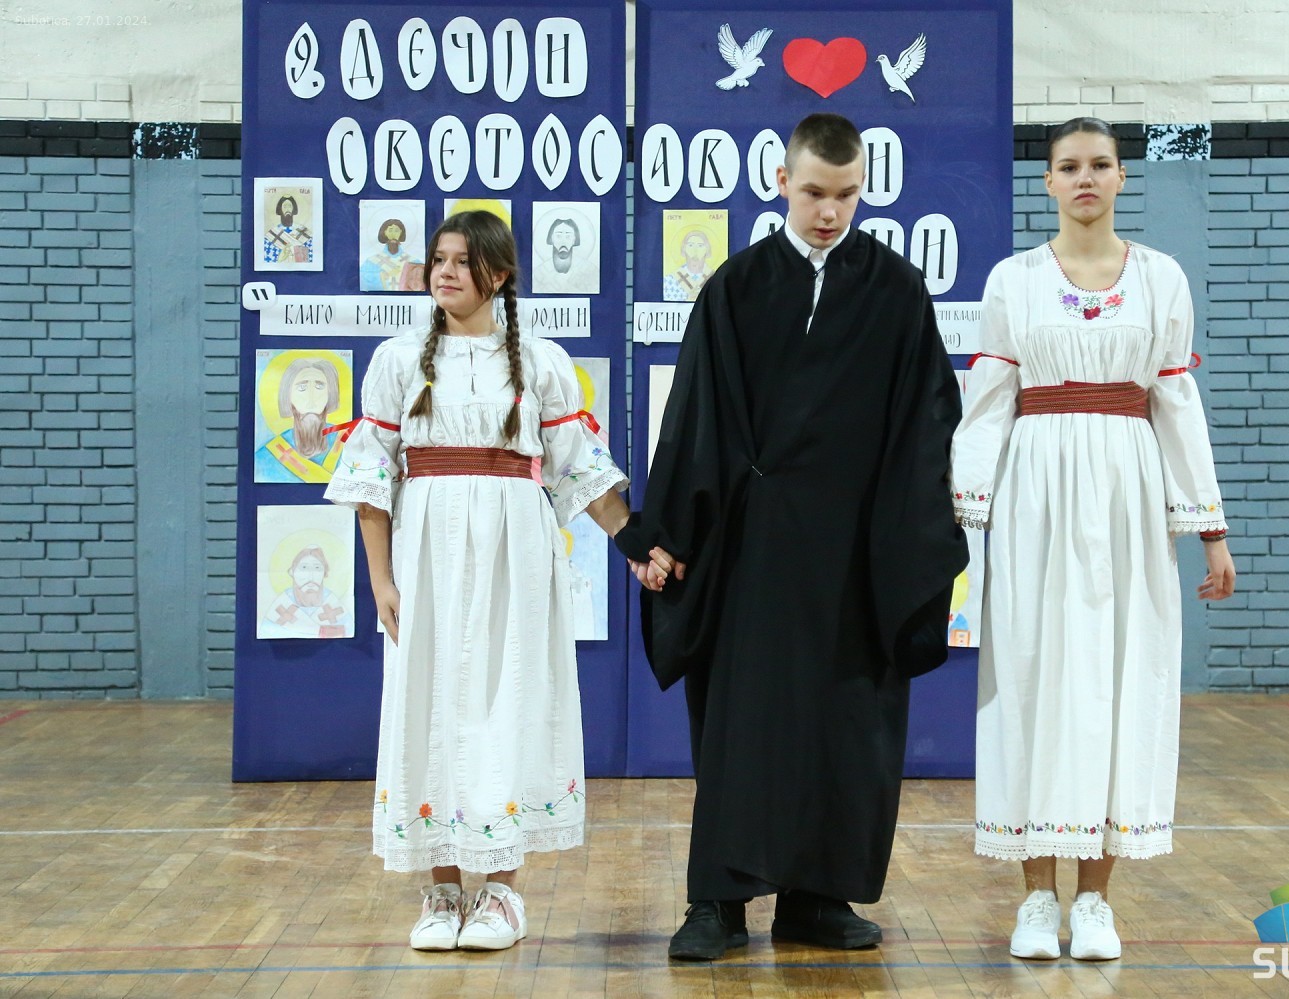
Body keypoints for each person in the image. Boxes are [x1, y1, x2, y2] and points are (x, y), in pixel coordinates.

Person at [613, 112, 968, 961]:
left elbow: (926, 422)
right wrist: (668, 533)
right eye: (814, 192)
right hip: (752, 546)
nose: (829, 211)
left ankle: (818, 896)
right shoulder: (735, 288)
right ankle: (718, 900)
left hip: (856, 548)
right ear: (781, 180)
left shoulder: (896, 291)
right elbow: (694, 418)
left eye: (847, 195)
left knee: (846, 720)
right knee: (742, 720)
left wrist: (911, 535)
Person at [951, 117, 1236, 963]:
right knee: (1031, 676)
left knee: (1121, 678)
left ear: (1120, 177)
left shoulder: (1160, 278)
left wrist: (1211, 530)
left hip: (1128, 497)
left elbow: (1176, 404)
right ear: (1047, 181)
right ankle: (1037, 895)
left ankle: (1097, 900)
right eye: (1069, 166)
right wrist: (963, 520)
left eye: (1100, 165)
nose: (1085, 178)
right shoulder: (1013, 280)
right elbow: (987, 405)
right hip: (1034, 495)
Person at [324, 210, 630, 952]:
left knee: (507, 702)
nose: (446, 272)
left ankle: (500, 892)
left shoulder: (541, 362)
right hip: (426, 555)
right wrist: (381, 579)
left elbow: (581, 473)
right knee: (428, 703)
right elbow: (372, 482)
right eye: (439, 259)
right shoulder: (399, 360)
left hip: (515, 556)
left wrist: (639, 547)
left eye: (462, 261)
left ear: (499, 272)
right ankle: (439, 889)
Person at [663, 227, 715, 302]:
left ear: (707, 249)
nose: (695, 250)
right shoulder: (670, 281)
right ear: (684, 248)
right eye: (690, 245)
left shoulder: (715, 277)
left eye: (700, 245)